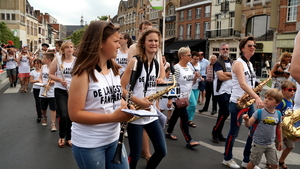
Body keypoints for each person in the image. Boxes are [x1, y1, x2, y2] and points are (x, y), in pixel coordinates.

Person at [68, 21, 133, 169]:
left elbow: (114, 100)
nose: (119, 45)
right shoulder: (82, 73)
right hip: (90, 144)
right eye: (116, 41)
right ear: (100, 43)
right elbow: (75, 114)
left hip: (114, 139)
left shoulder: (115, 69)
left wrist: (125, 106)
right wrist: (114, 117)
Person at [121, 28, 166, 169]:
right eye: (150, 40)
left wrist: (160, 84)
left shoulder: (156, 64)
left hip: (150, 113)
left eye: (156, 41)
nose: (154, 43)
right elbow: (121, 88)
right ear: (143, 43)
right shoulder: (135, 62)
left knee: (161, 151)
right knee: (134, 155)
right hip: (136, 113)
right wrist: (139, 101)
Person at [222, 36, 264, 169]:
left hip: (249, 102)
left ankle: (247, 160)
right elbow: (242, 84)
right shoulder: (238, 63)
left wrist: (257, 87)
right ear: (242, 48)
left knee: (253, 131)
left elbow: (250, 83)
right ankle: (227, 158)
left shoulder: (249, 63)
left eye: (254, 46)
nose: (253, 48)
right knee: (234, 132)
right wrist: (257, 97)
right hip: (238, 103)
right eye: (250, 45)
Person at [166, 47, 200, 148]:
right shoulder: (176, 68)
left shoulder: (189, 67)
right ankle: (189, 139)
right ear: (182, 56)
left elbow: (191, 83)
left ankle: (168, 132)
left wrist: (195, 78)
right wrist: (170, 99)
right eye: (189, 55)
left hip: (186, 96)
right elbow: (172, 84)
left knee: (176, 115)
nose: (190, 57)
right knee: (184, 117)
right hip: (178, 97)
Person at [242, 88, 283, 169]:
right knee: (253, 163)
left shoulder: (278, 113)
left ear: (277, 103)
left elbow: (279, 128)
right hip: (258, 144)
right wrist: (246, 120)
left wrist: (280, 141)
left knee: (275, 164)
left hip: (271, 144)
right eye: (266, 97)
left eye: (270, 99)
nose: (266, 100)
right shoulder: (259, 112)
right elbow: (248, 124)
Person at [49, 41, 75, 148]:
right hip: (60, 90)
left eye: (71, 47)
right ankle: (61, 136)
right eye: (67, 47)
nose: (69, 49)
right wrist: (60, 80)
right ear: (63, 49)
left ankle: (69, 137)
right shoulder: (58, 60)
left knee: (70, 116)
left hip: (73, 90)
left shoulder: (77, 61)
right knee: (63, 114)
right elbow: (51, 74)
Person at [211, 43, 233, 143]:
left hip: (230, 91)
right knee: (225, 112)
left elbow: (235, 74)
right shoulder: (218, 62)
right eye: (223, 49)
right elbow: (221, 77)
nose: (225, 50)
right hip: (220, 91)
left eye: (227, 49)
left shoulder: (232, 62)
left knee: (222, 113)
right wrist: (232, 75)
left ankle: (218, 133)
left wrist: (227, 73)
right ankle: (215, 131)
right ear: (220, 51)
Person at [274, 80, 296, 169]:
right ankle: (270, 161)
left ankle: (281, 160)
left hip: (288, 127)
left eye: (294, 90)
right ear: (283, 90)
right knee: (277, 146)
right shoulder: (281, 102)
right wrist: (285, 118)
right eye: (290, 90)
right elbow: (276, 114)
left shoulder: (291, 102)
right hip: (280, 127)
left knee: (290, 146)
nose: (292, 92)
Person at [38, 52, 57, 131]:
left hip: (52, 90)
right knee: (43, 107)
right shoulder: (43, 67)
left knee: (53, 108)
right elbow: (40, 77)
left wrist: (52, 82)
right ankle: (44, 117)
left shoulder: (55, 67)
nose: (42, 60)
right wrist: (41, 82)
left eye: (44, 58)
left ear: (48, 60)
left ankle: (53, 123)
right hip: (43, 89)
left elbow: (57, 78)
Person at [187, 51, 202, 128]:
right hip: (190, 87)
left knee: (193, 105)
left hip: (197, 87)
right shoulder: (188, 65)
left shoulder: (199, 65)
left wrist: (200, 77)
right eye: (195, 59)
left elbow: (199, 74)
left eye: (197, 59)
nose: (196, 60)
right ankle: (186, 117)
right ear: (191, 58)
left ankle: (190, 119)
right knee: (193, 104)